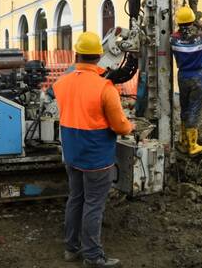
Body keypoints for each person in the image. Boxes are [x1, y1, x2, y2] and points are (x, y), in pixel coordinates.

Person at [53, 32, 133, 267]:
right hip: (96, 157)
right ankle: (93, 256)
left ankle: (71, 248)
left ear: (76, 54)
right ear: (99, 56)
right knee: (93, 205)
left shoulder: (61, 83)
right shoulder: (105, 87)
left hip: (72, 152)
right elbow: (121, 127)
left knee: (75, 199)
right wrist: (132, 125)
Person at [170, 6, 202, 156]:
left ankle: (184, 141)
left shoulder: (173, 38)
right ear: (193, 20)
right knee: (194, 110)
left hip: (183, 76)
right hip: (197, 76)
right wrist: (201, 24)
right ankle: (193, 146)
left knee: (184, 108)